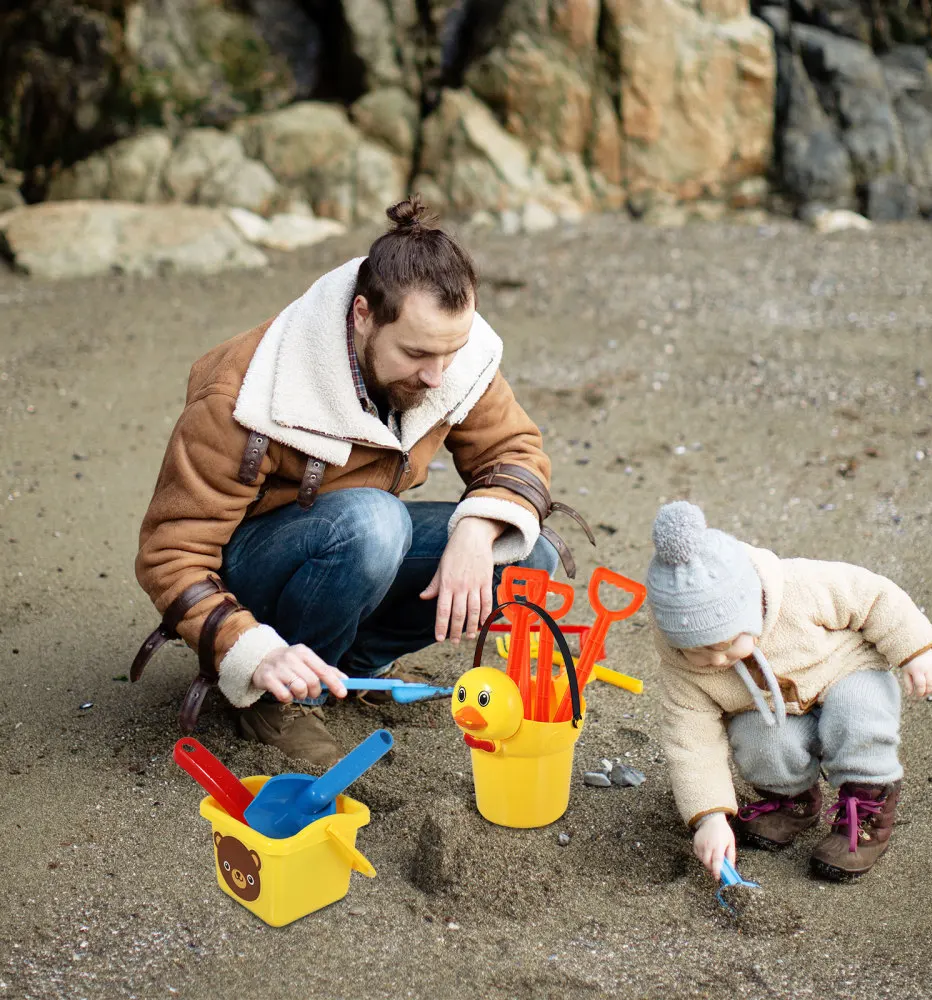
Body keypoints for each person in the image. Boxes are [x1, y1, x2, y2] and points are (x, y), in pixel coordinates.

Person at [131, 196, 590, 765]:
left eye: (452, 352)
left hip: (354, 549)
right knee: (373, 522)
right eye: (417, 354)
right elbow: (170, 554)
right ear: (363, 315)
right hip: (255, 572)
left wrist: (480, 528)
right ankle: (278, 695)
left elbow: (513, 448)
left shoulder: (447, 354)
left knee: (527, 553)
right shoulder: (241, 393)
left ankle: (350, 665)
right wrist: (246, 649)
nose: (436, 376)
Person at [646, 501, 932, 880]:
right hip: (773, 708)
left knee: (859, 715)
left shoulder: (797, 588)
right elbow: (691, 744)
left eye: (726, 644)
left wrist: (914, 650)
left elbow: (872, 596)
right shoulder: (682, 673)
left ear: (751, 610)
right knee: (759, 738)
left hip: (845, 672)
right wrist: (710, 817)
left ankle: (866, 812)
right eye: (699, 652)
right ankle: (791, 801)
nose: (718, 661)